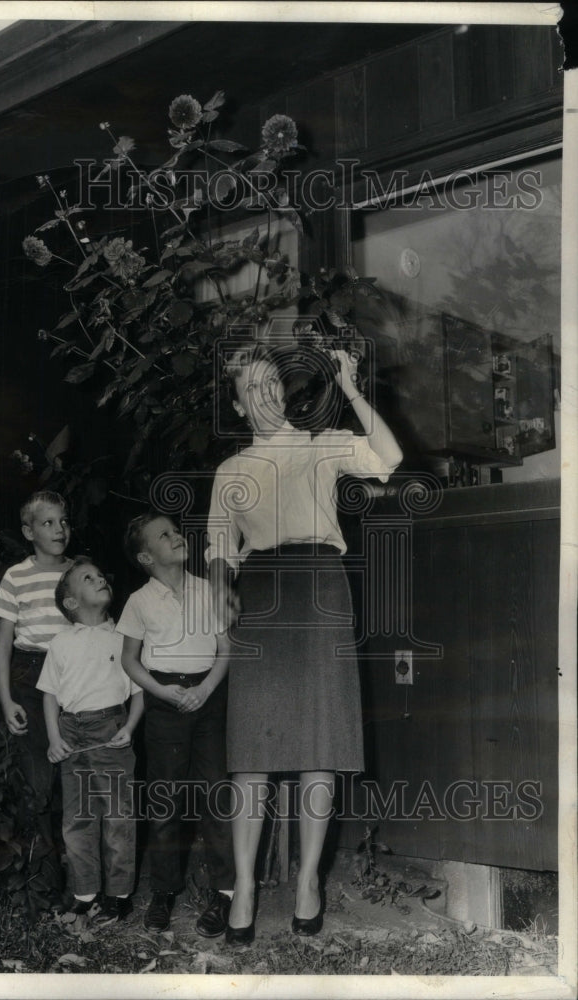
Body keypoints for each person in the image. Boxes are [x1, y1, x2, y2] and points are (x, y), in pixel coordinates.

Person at [206, 342, 403, 944]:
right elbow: (218, 550)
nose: (264, 394)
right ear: (239, 406)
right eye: (251, 389)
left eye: (272, 384)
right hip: (261, 593)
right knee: (251, 753)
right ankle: (243, 885)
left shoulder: (321, 447)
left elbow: (388, 458)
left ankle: (308, 882)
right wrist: (221, 592)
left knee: (320, 742)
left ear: (283, 393)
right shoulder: (231, 471)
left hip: (321, 585)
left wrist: (349, 388)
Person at [117, 511, 235, 937]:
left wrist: (205, 690)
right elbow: (129, 659)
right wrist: (160, 693)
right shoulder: (138, 601)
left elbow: (225, 648)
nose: (177, 537)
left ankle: (225, 892)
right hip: (164, 701)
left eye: (176, 530)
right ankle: (164, 890)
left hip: (208, 697)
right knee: (165, 801)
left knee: (216, 794)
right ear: (147, 556)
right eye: (164, 536)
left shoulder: (208, 591)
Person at [38, 556, 144, 927]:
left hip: (110, 729)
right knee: (77, 818)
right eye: (88, 578)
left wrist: (129, 727)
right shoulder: (61, 643)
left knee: (118, 816)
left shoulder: (122, 638)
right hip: (70, 733)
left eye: (100, 574)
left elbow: (139, 693)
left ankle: (118, 896)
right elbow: (50, 694)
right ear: (71, 602)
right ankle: (85, 894)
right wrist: (53, 737)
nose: (99, 578)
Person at [0, 490, 73, 901]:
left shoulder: (81, 573)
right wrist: (7, 701)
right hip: (30, 674)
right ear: (28, 532)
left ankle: (85, 885)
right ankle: (45, 887)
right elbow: (3, 644)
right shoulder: (16, 577)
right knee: (39, 783)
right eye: (48, 523)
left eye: (63, 522)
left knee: (75, 780)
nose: (59, 529)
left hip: (76, 676)